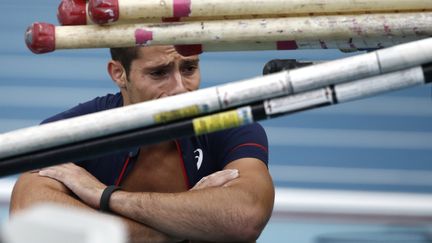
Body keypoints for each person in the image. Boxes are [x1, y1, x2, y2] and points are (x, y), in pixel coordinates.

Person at [9, 45, 274, 242]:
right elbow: (28, 210)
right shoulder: (75, 128)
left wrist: (106, 196)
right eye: (159, 73)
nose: (181, 89)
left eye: (189, 68)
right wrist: (175, 232)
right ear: (119, 74)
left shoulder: (229, 125)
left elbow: (245, 216)